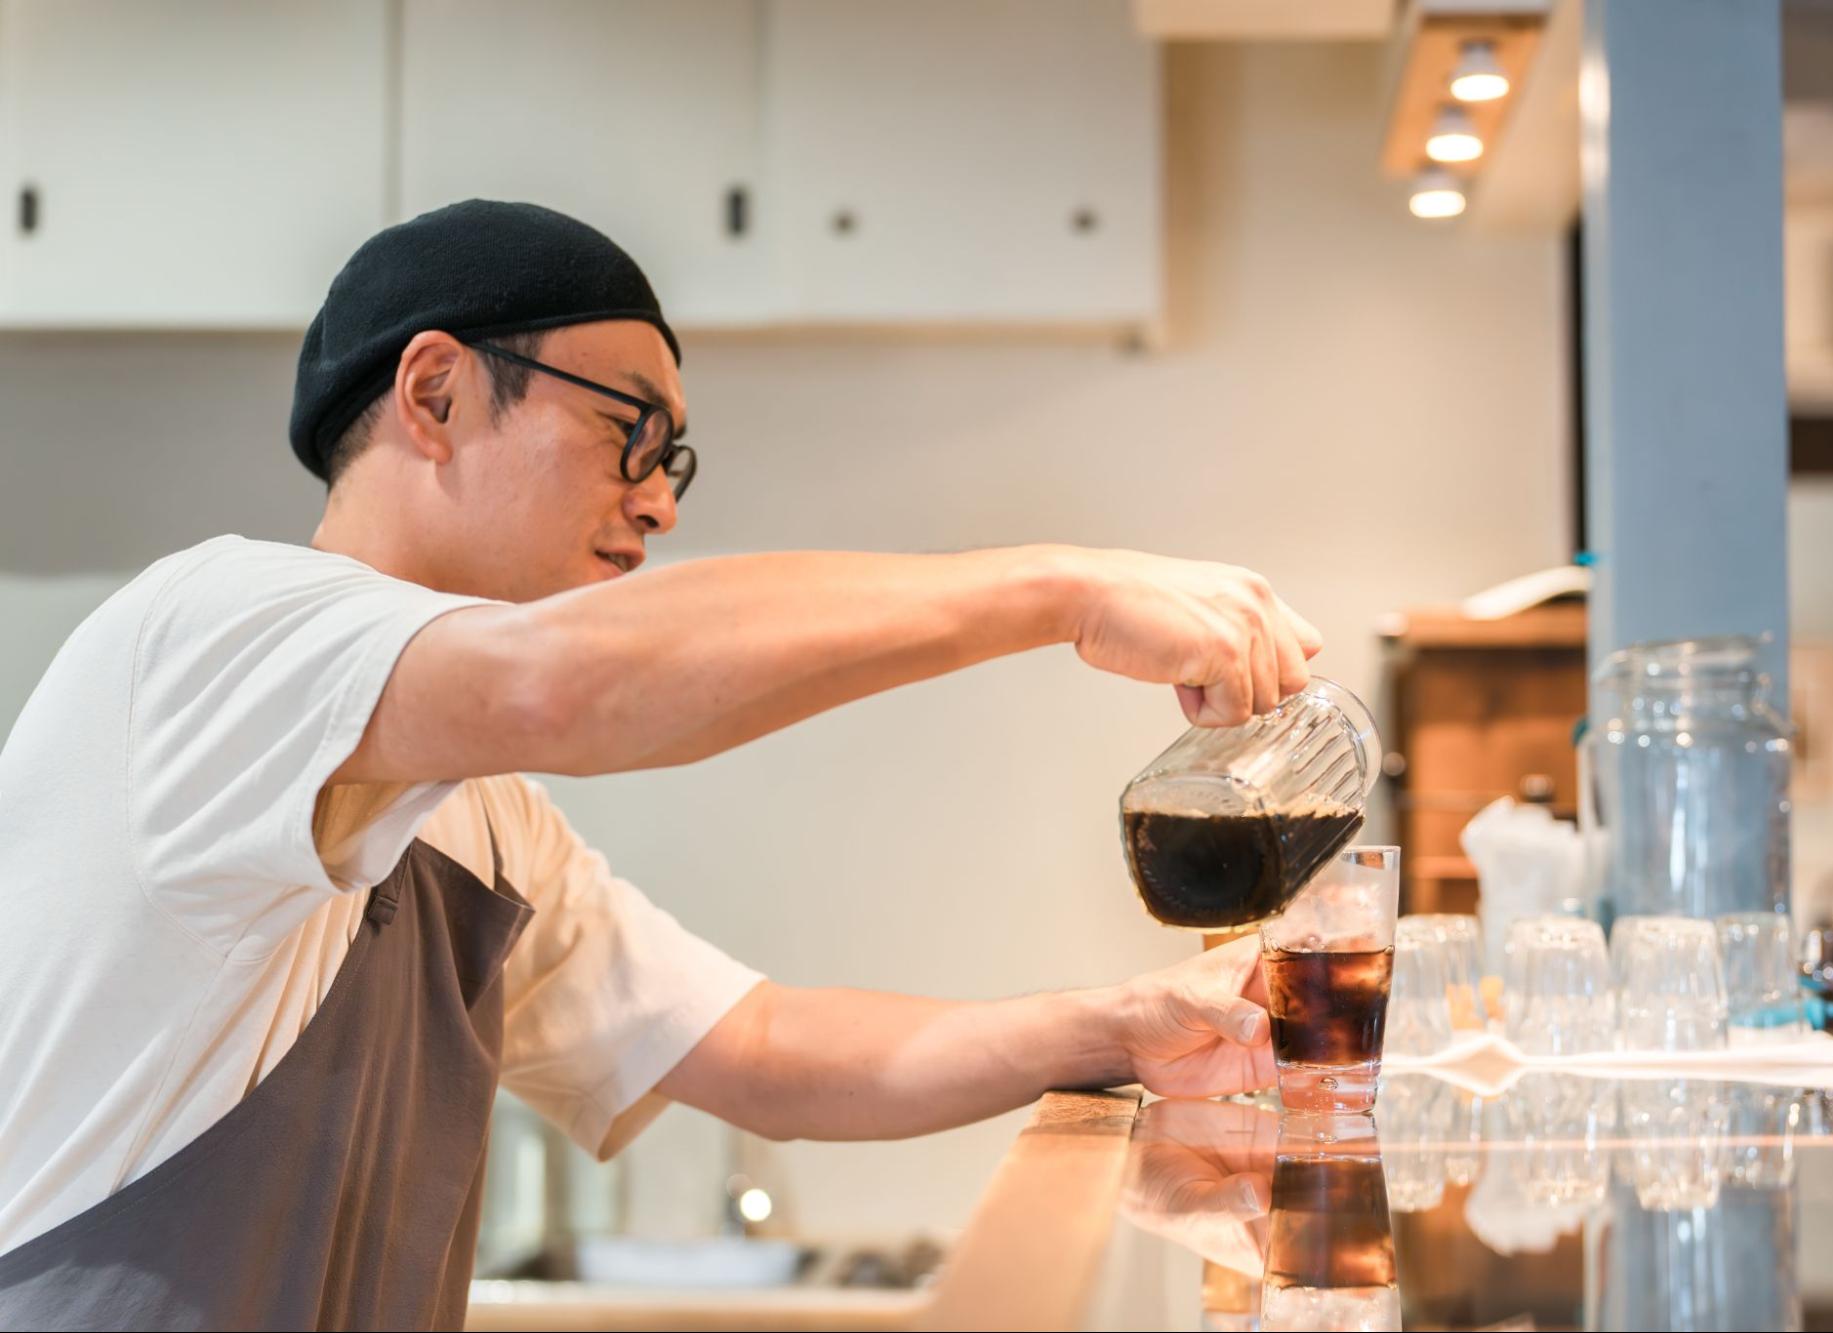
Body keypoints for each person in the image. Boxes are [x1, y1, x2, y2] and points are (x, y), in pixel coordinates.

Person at [0, 199, 1313, 1329]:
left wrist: (1123, 1026)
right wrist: (1064, 588)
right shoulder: (215, 630)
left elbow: (764, 1047)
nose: (661, 499)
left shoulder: (484, 819)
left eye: (674, 457)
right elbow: (569, 680)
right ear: (436, 392)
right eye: (634, 429)